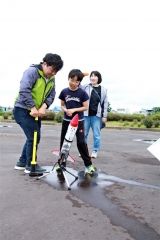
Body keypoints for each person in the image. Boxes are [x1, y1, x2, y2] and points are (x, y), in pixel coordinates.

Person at [13, 53, 63, 173]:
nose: (54, 73)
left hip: (37, 111)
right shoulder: (31, 72)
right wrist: (33, 107)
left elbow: (52, 94)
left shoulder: (51, 77)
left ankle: (22, 162)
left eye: (57, 71)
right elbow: (24, 90)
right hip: (22, 109)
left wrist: (44, 106)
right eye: (52, 69)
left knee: (33, 136)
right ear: (45, 64)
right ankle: (31, 166)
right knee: (34, 137)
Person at [57, 69, 96, 175]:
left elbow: (85, 107)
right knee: (64, 143)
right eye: (72, 80)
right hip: (66, 121)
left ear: (79, 82)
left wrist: (74, 110)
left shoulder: (82, 93)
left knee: (81, 143)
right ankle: (61, 163)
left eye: (77, 81)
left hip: (79, 121)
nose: (74, 83)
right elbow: (62, 105)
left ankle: (88, 165)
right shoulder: (64, 92)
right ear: (68, 78)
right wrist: (65, 110)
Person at [82, 71, 108, 159]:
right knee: (84, 134)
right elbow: (77, 86)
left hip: (96, 116)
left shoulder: (103, 90)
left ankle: (95, 151)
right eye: (91, 76)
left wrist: (104, 116)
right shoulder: (85, 86)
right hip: (85, 115)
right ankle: (84, 151)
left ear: (98, 78)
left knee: (96, 135)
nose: (93, 77)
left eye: (95, 76)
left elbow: (105, 103)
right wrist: (81, 75)